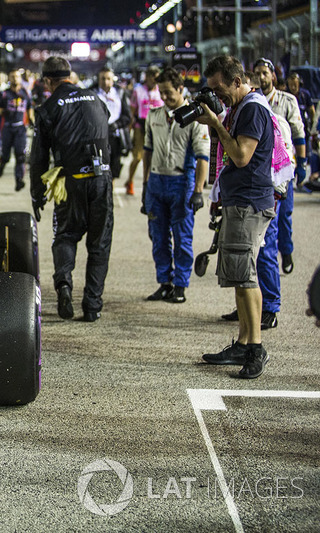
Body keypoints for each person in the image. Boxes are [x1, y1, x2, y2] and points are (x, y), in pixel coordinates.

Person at [198, 55, 275, 379]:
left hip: (249, 202)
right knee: (238, 275)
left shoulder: (254, 108)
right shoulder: (240, 108)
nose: (218, 95)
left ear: (237, 81)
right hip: (237, 200)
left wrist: (216, 123)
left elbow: (241, 156)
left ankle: (256, 348)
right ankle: (243, 341)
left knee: (246, 276)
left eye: (220, 88)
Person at [29, 57, 113, 322]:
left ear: (47, 81)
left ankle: (64, 285)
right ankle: (92, 306)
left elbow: (38, 157)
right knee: (99, 244)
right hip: (102, 178)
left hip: (69, 180)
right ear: (70, 75)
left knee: (65, 236)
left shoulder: (47, 108)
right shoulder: (96, 98)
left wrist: (37, 192)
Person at [141, 67, 210, 303]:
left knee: (182, 237)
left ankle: (180, 285)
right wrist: (144, 185)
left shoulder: (195, 117)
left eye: (169, 92)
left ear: (181, 88)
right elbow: (147, 152)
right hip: (156, 184)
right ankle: (165, 283)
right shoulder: (154, 115)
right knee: (158, 237)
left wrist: (198, 191)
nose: (164, 97)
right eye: (161, 92)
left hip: (182, 183)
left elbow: (203, 157)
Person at [254, 58, 304, 278]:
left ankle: (287, 250)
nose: (261, 77)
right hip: (263, 171)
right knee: (269, 219)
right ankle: (269, 261)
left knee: (284, 216)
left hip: (284, 170)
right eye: (258, 73)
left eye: (265, 72)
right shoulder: (252, 102)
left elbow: (299, 133)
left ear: (273, 75)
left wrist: (301, 164)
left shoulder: (287, 101)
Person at [0, 69, 33, 192]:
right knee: (6, 155)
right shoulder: (3, 94)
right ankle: (2, 165)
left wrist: (32, 120)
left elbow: (30, 107)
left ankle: (19, 180)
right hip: (7, 128)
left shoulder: (25, 93)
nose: (15, 79)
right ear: (9, 79)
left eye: (17, 76)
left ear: (20, 79)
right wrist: (1, 111)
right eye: (12, 76)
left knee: (20, 156)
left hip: (20, 128)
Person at [127, 66, 164, 195]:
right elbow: (132, 111)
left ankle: (149, 183)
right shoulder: (138, 91)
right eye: (152, 77)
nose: (155, 80)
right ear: (147, 77)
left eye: (157, 77)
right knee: (137, 157)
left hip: (157, 127)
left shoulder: (161, 91)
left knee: (155, 158)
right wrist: (129, 129)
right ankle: (130, 181)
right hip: (140, 127)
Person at [96, 67, 132, 181]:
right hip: (99, 137)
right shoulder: (92, 93)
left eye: (108, 78)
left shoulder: (120, 93)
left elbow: (127, 116)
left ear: (112, 80)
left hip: (116, 137)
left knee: (114, 169)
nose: (105, 82)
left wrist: (116, 125)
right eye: (102, 78)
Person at [286, 72, 315, 167]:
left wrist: (312, 125)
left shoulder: (305, 94)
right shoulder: (286, 95)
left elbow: (311, 110)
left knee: (303, 152)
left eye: (295, 85)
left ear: (299, 83)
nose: (293, 87)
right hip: (289, 129)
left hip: (303, 128)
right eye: (291, 85)